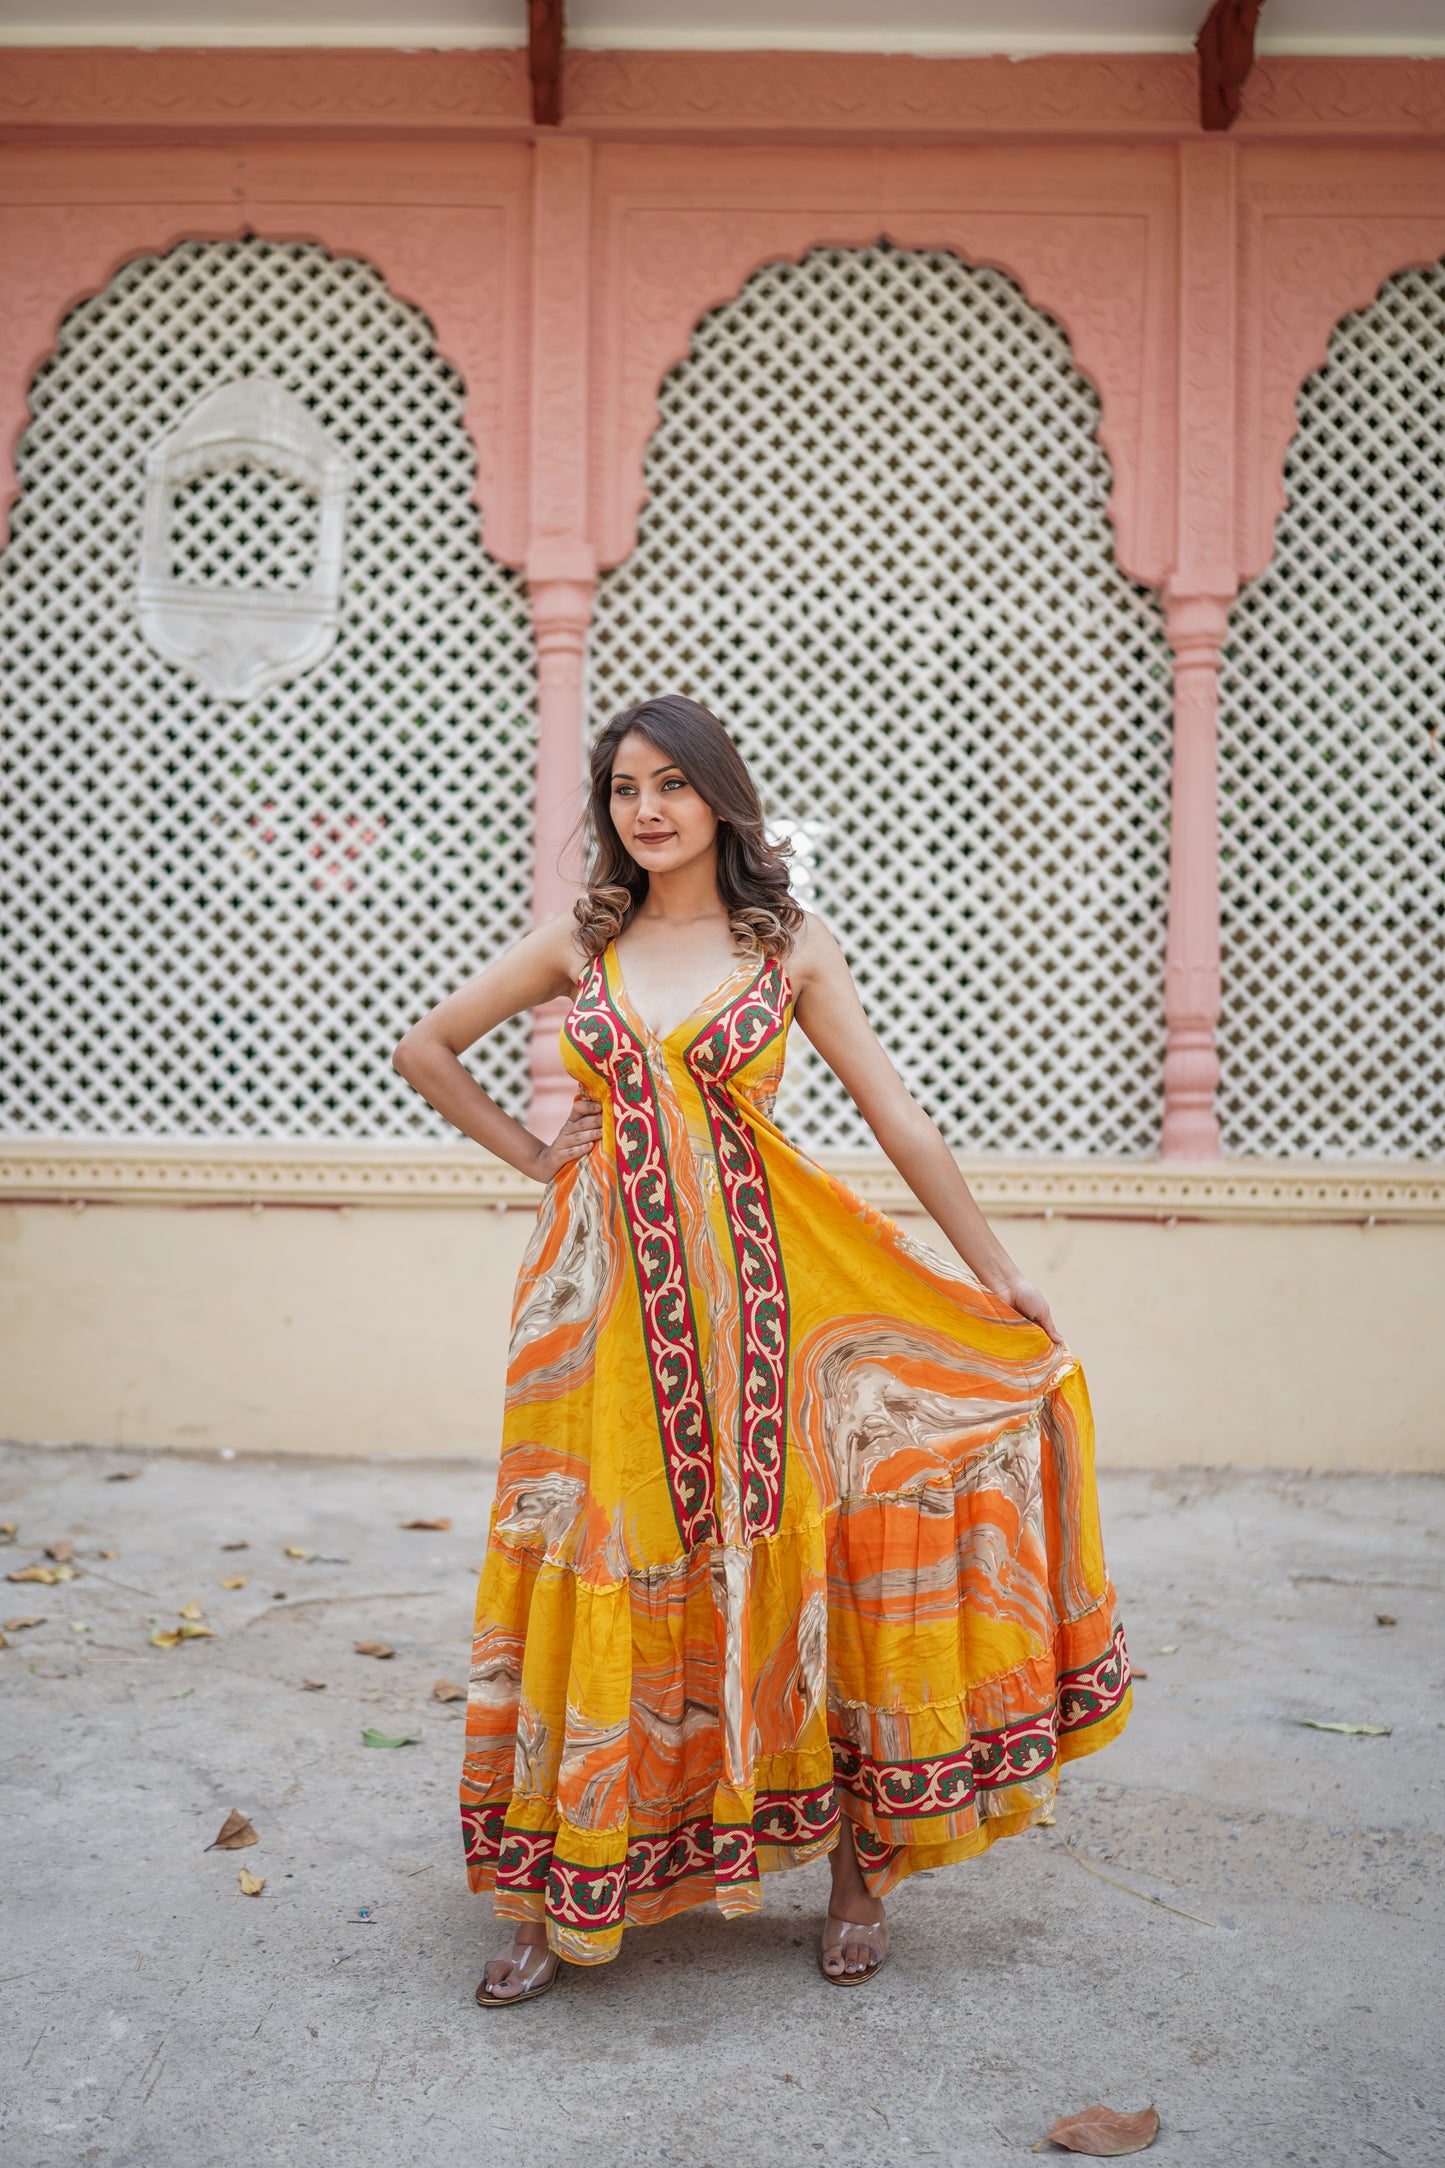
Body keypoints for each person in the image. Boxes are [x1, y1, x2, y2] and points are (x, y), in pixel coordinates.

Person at [392, 693, 1132, 2005]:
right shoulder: (580, 942)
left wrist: (999, 1270)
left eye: (672, 784)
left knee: (821, 1546)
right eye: (623, 789)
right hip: (600, 1317)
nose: (647, 809)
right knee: (598, 1550)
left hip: (777, 1303)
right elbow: (425, 1048)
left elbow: (892, 1113)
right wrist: (536, 1160)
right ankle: (559, 1875)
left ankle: (857, 1867)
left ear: (720, 800)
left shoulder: (782, 946)